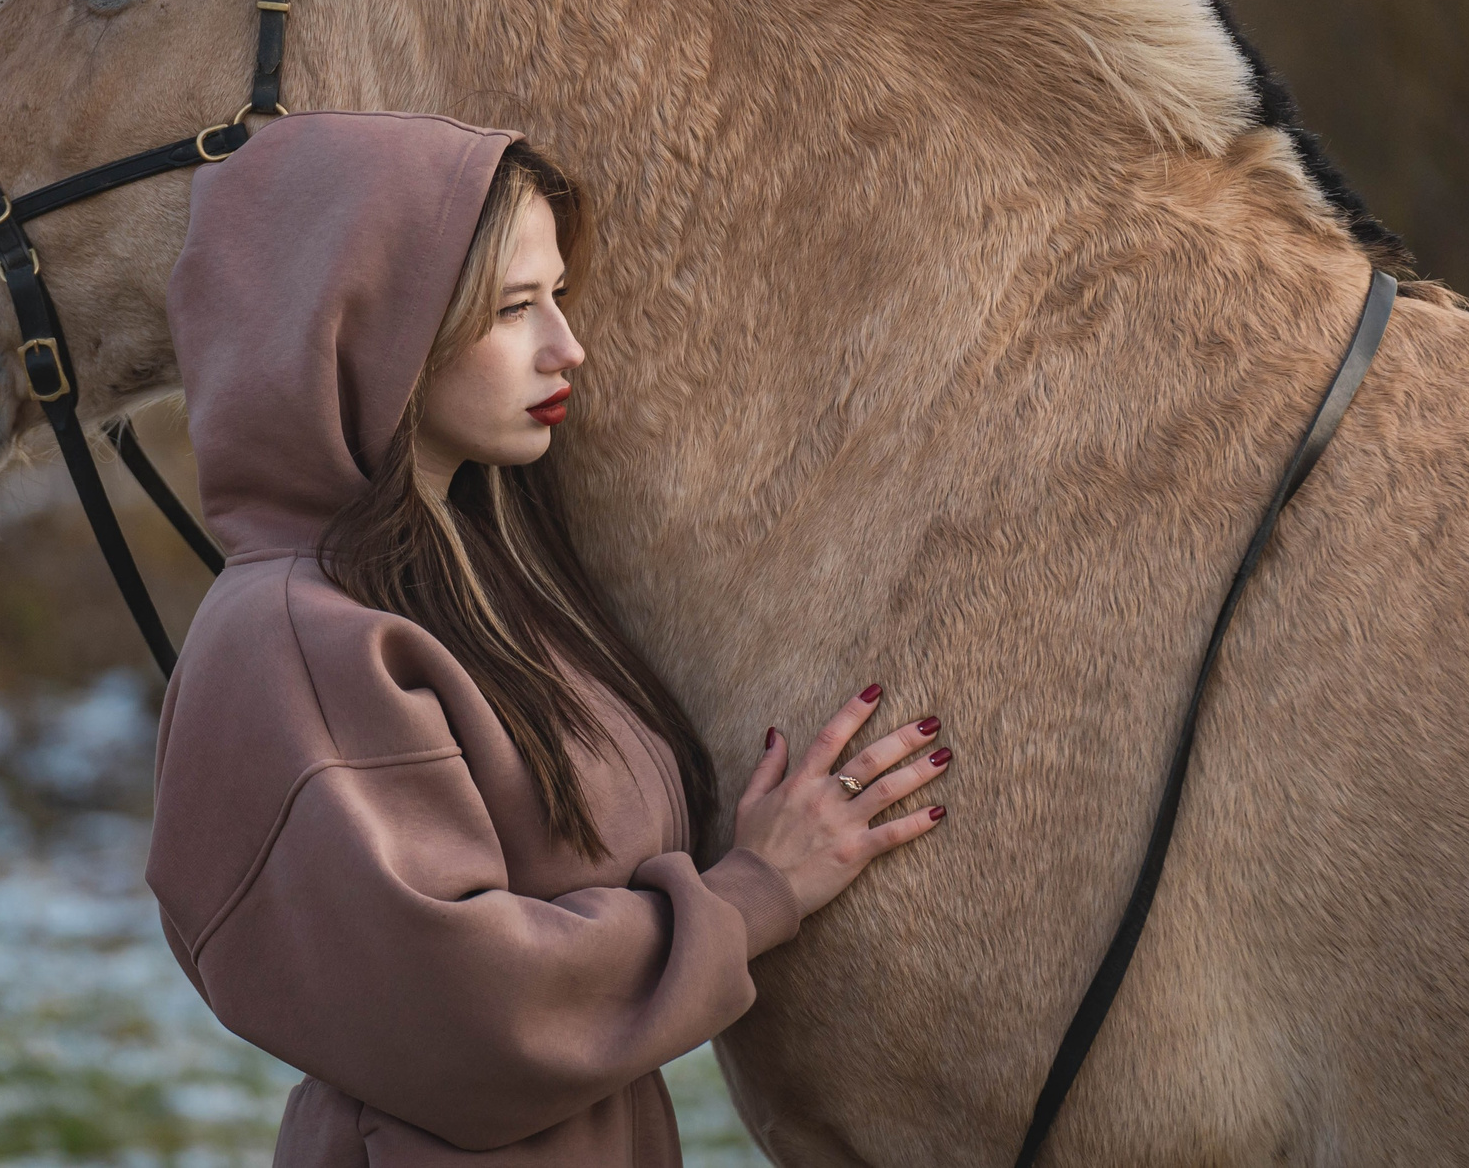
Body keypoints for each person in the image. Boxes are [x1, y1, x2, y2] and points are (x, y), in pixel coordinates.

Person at [150, 111, 952, 1167]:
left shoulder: (488, 577)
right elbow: (469, 1017)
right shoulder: (289, 639)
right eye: (513, 307)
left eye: (559, 297)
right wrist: (755, 893)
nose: (566, 346)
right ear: (368, 329)